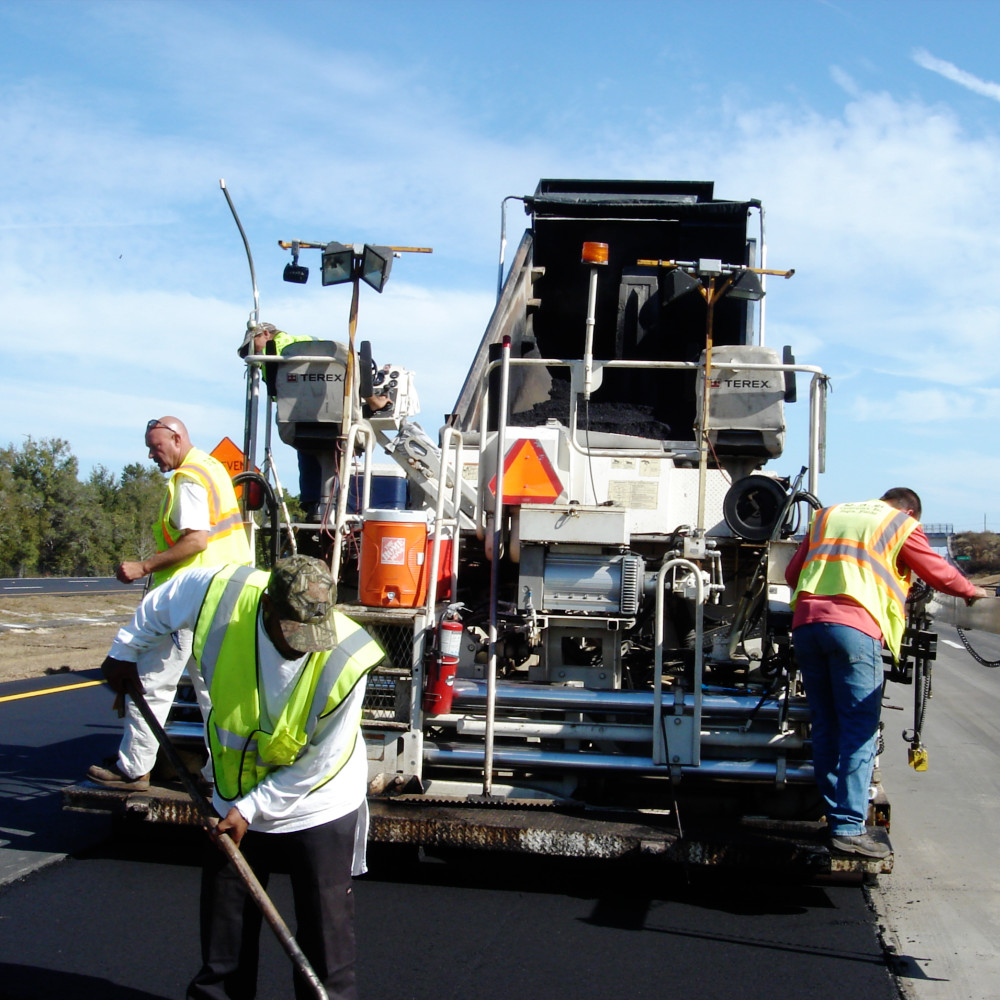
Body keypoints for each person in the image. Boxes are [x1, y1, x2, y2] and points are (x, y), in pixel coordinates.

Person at [100, 555, 384, 1000]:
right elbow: (162, 602)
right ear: (267, 607)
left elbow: (317, 764)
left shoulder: (346, 660)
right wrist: (124, 650)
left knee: (325, 944)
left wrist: (249, 810)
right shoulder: (219, 595)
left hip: (318, 803)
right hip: (232, 793)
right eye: (293, 633)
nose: (304, 646)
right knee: (225, 939)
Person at [785, 487, 988, 859]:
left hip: (807, 625)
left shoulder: (827, 516)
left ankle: (835, 818)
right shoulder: (900, 524)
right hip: (855, 629)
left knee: (827, 725)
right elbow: (938, 571)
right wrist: (970, 590)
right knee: (858, 728)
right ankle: (848, 826)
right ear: (911, 511)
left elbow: (792, 572)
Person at [87, 416, 252, 791]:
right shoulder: (211, 468)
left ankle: (134, 770)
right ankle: (222, 775)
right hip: (219, 598)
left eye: (155, 446)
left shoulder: (189, 479)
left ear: (176, 439)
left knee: (151, 684)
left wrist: (143, 566)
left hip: (186, 602)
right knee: (215, 694)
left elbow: (195, 541)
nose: (150, 455)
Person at [238, 321, 390, 521]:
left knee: (306, 441)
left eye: (253, 345)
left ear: (266, 334)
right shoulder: (318, 345)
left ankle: (313, 506)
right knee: (341, 438)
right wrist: (375, 402)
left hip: (297, 426)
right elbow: (358, 378)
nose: (253, 352)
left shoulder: (274, 356)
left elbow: (277, 395)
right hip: (340, 424)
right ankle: (338, 507)